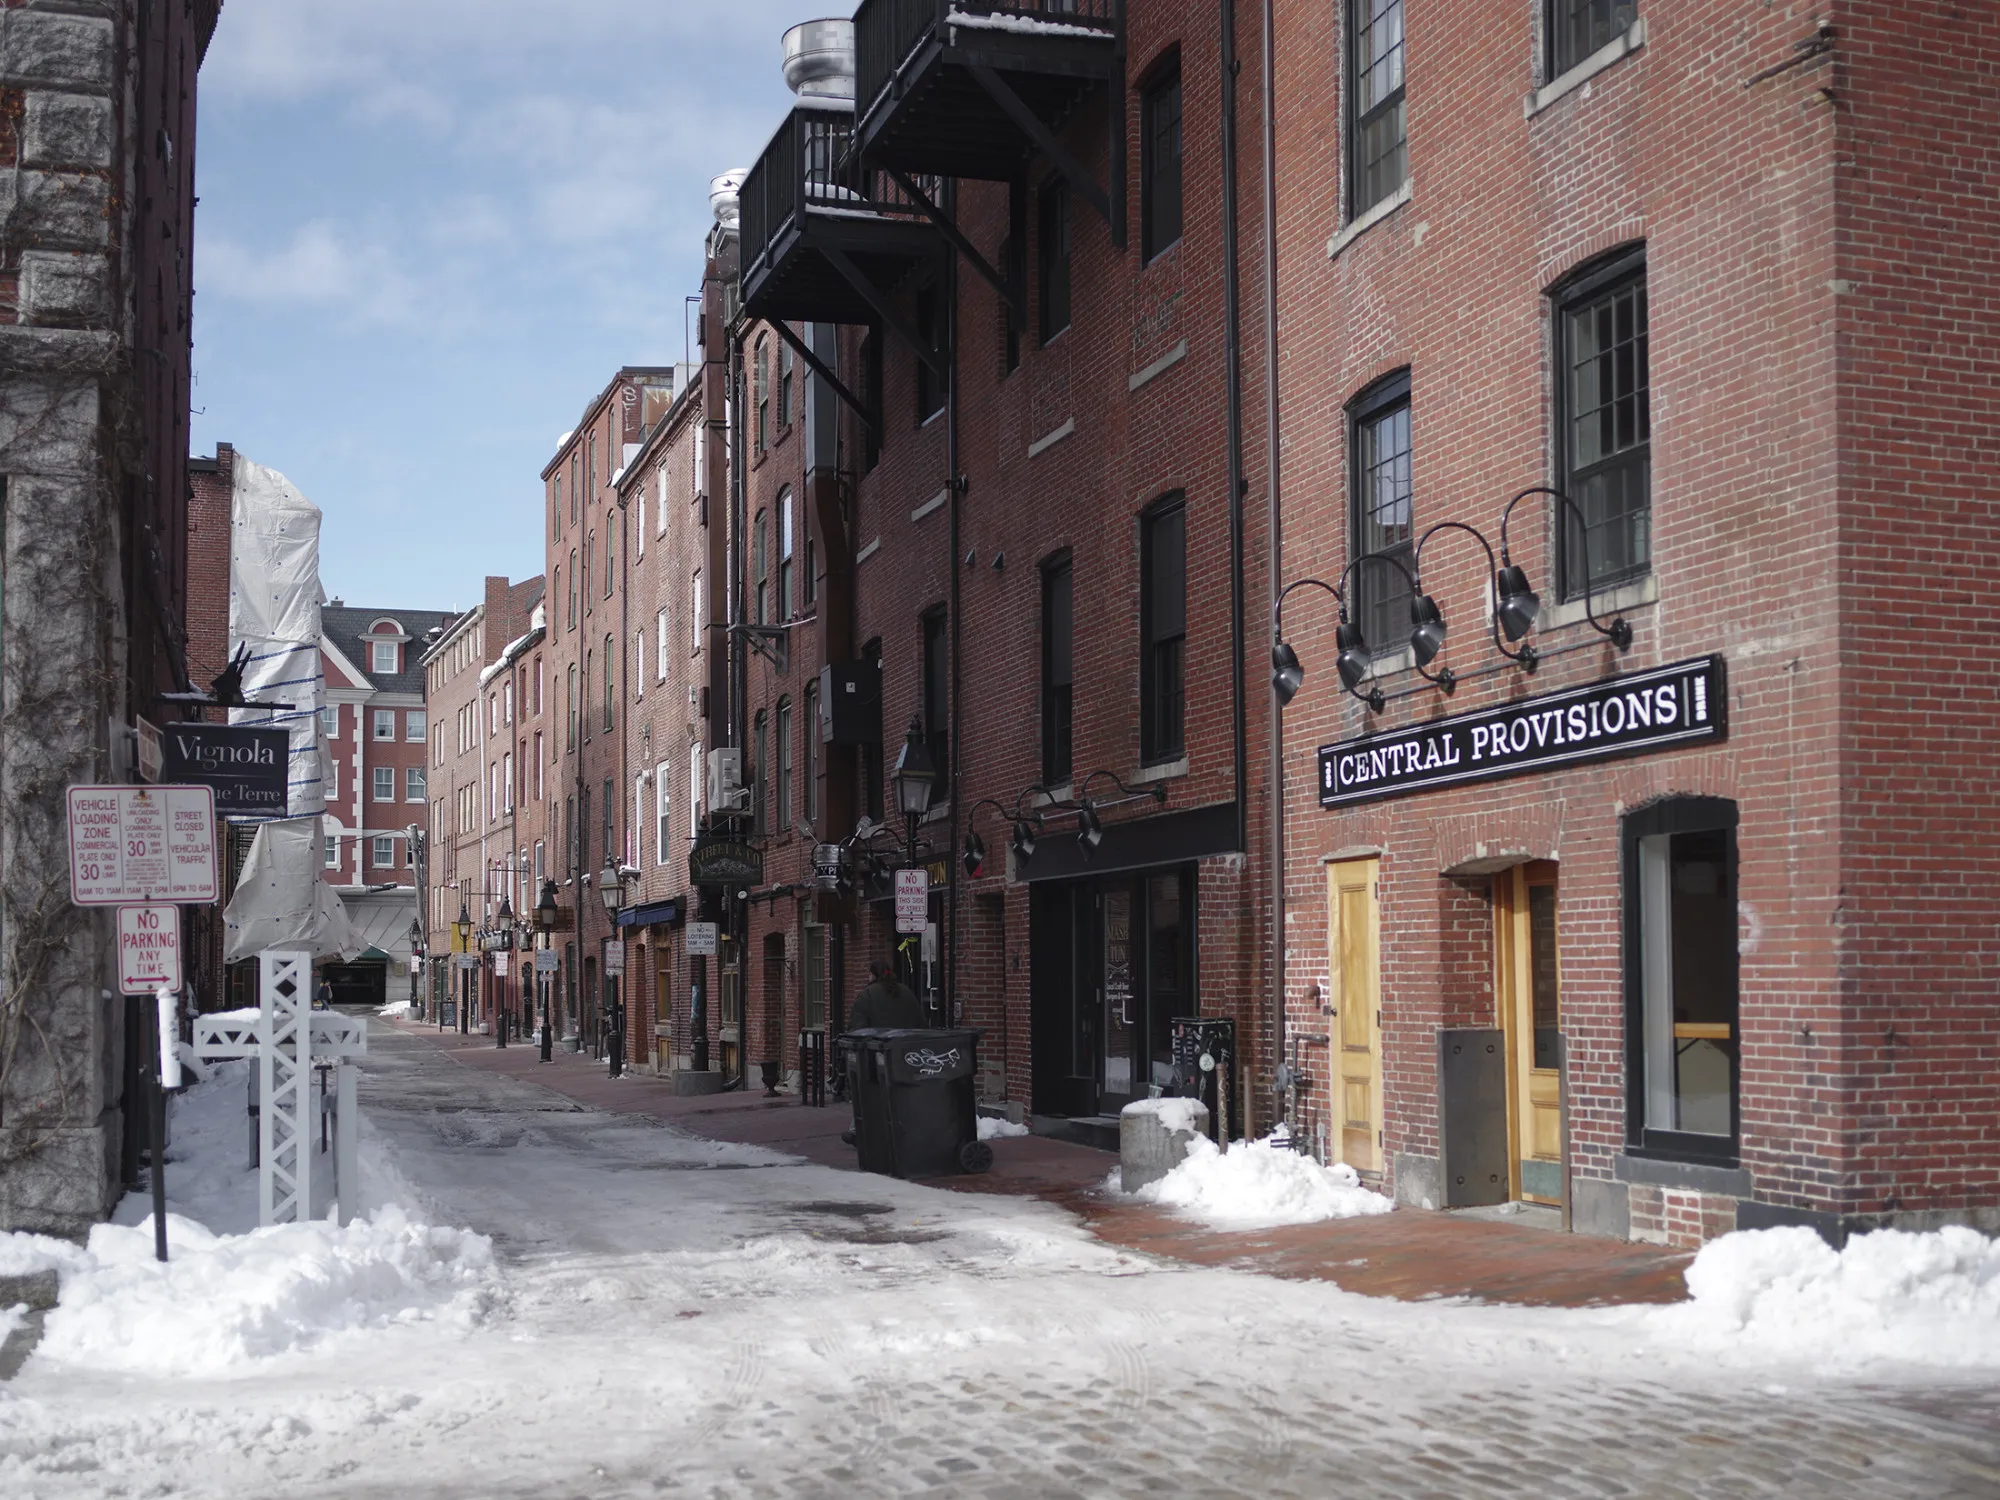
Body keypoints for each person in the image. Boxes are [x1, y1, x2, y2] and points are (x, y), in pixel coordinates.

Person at [847, 958, 922, 1031]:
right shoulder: (907, 992)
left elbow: (857, 1029)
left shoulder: (867, 995)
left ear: (872, 975)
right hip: (908, 1042)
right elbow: (921, 1023)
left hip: (878, 1042)